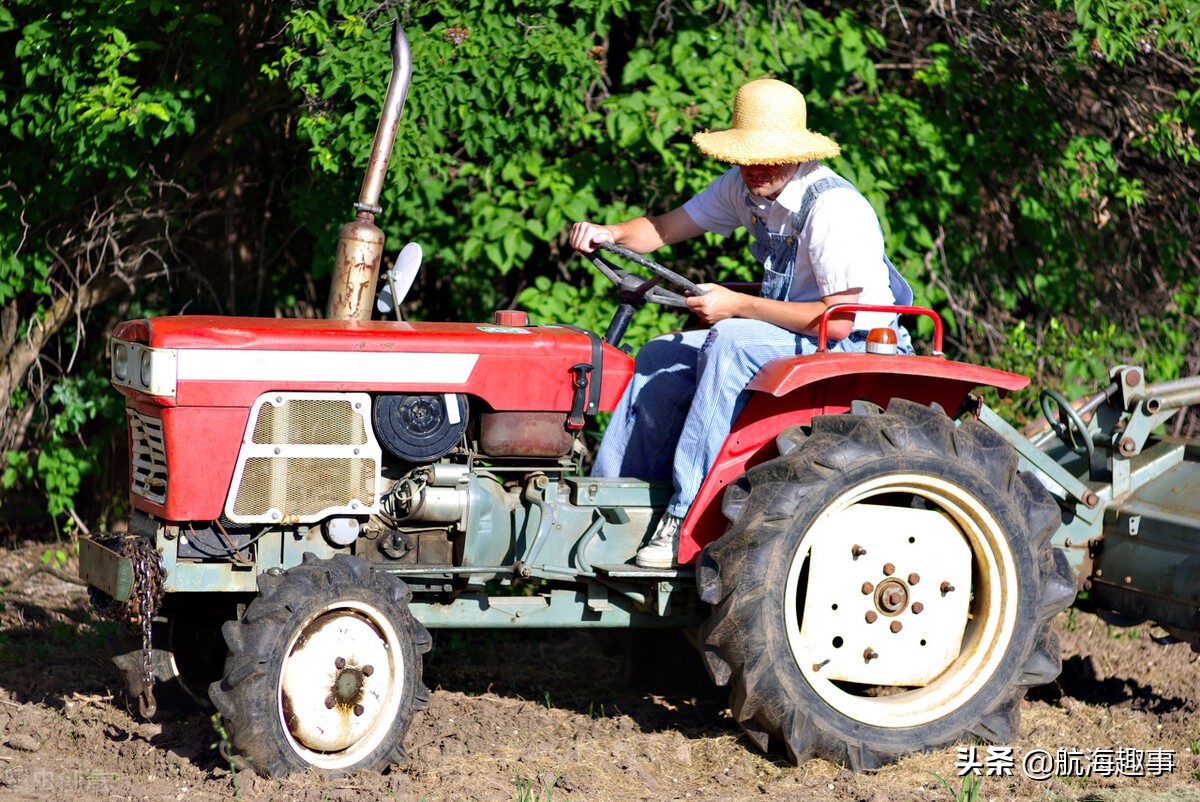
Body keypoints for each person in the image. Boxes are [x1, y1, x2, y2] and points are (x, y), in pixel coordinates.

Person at [569, 77, 913, 568]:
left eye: (769, 156)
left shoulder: (834, 208)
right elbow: (665, 228)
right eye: (747, 155)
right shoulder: (746, 188)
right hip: (796, 333)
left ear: (796, 153)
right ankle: (607, 507)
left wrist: (736, 306)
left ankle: (683, 518)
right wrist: (610, 232)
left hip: (857, 344)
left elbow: (837, 323)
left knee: (727, 340)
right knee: (660, 353)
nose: (755, 167)